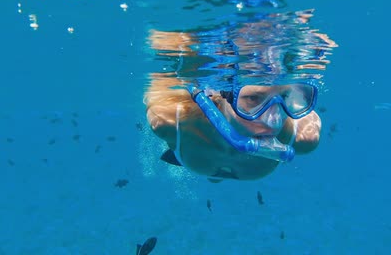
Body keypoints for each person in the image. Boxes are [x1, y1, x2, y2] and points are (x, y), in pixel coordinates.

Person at [143, 11, 335, 181]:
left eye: (284, 97)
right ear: (217, 97)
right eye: (253, 99)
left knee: (213, 176)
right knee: (213, 177)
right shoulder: (169, 122)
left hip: (199, 158)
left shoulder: (302, 138)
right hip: (190, 148)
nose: (273, 120)